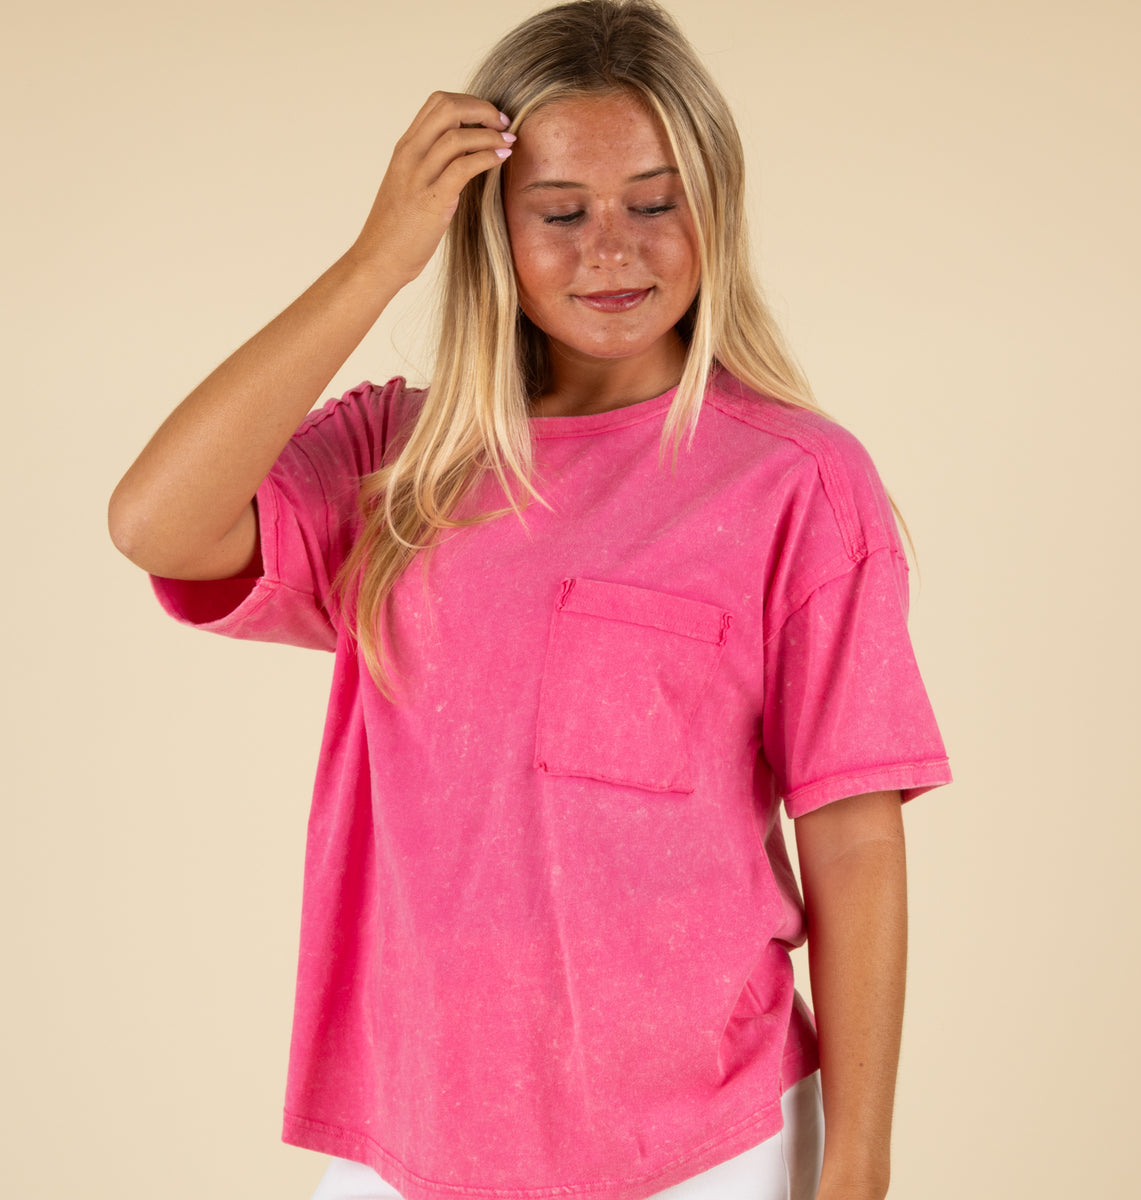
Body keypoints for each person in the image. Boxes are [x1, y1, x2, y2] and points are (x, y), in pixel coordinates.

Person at [108, 2, 951, 1198]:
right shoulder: (398, 461)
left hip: (707, 1149)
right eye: (560, 213)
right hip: (406, 1140)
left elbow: (857, 839)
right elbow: (155, 523)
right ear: (489, 226)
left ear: (715, 205)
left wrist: (857, 1170)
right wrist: (377, 257)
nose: (612, 249)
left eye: (655, 202)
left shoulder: (796, 481)